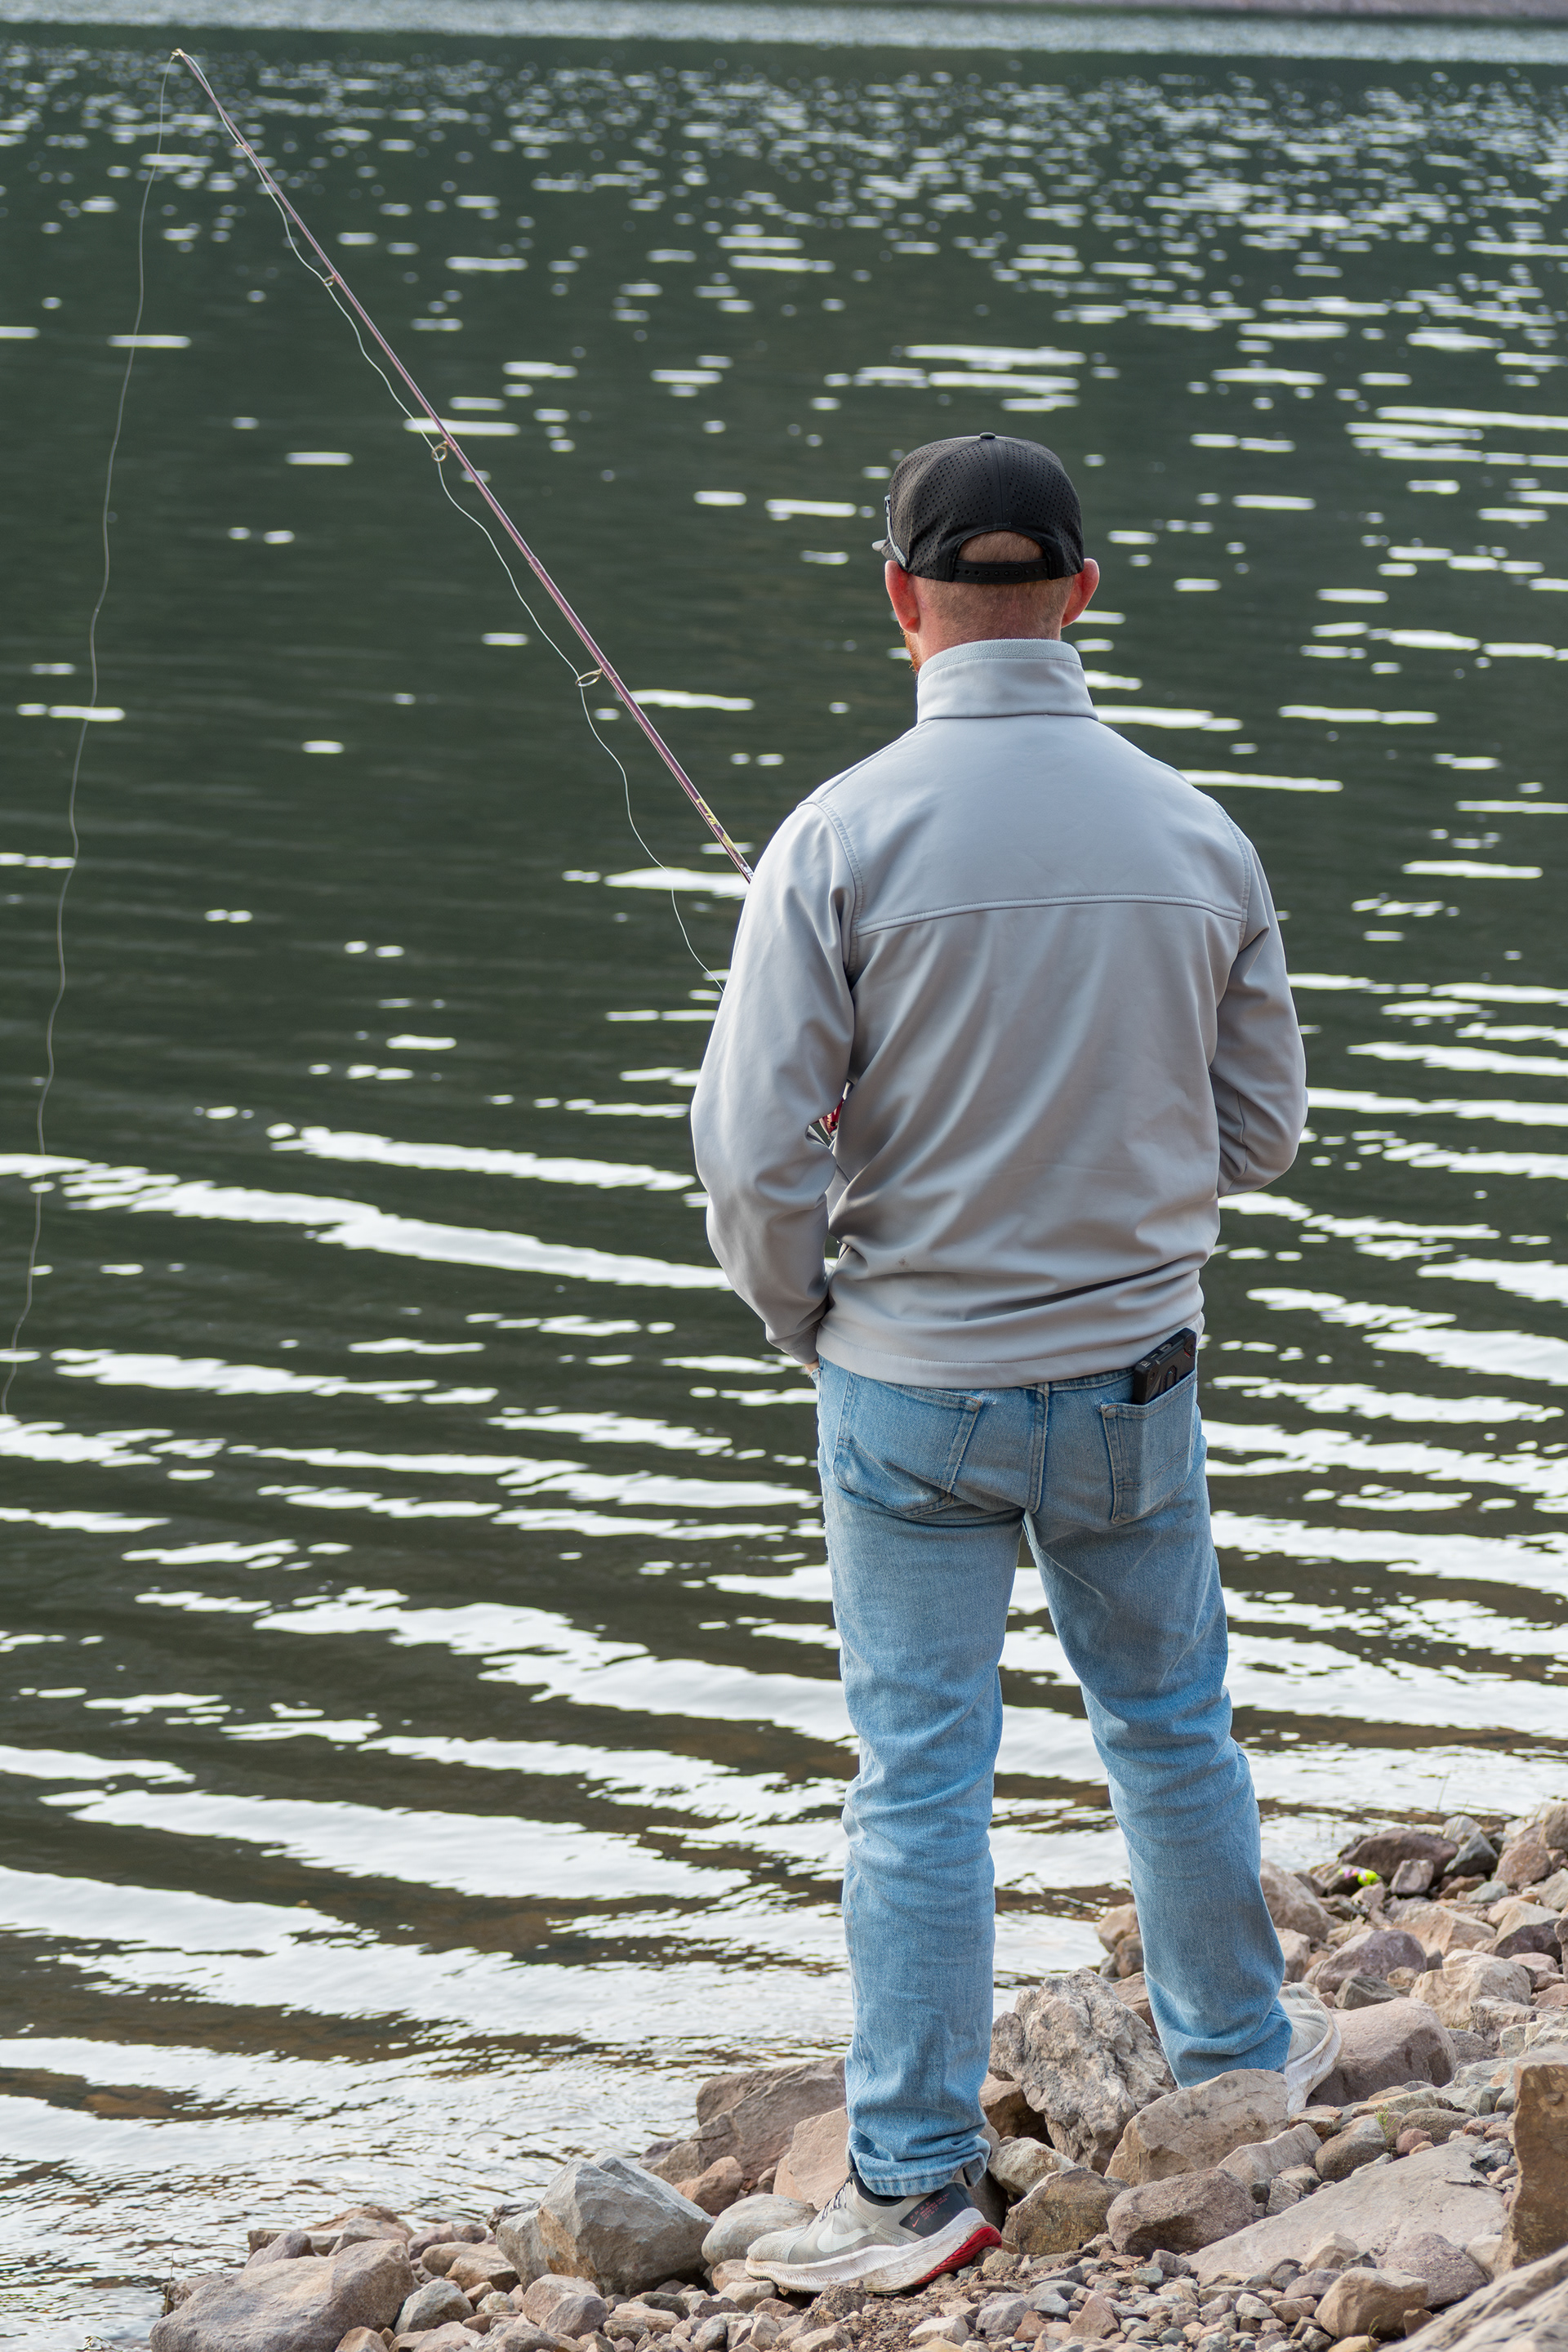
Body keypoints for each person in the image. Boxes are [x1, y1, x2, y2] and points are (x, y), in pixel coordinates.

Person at [688, 434, 1339, 2296]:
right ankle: (1243, 2092)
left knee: (918, 1778)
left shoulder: (835, 834)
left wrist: (812, 1315)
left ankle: (911, 2187)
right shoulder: (1196, 829)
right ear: (1081, 594)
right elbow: (1265, 1128)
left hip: (906, 1387)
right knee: (1173, 1733)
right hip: (1134, 1377)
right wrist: (1111, 1163)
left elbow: (752, 1162)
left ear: (902, 603)